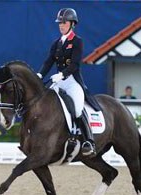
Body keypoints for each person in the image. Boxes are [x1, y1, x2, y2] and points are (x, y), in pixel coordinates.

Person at [37, 8, 96, 157]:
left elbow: (75, 64)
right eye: (60, 23)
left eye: (64, 23)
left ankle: (89, 141)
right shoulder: (56, 43)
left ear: (72, 24)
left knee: (76, 108)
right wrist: (39, 74)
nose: (61, 25)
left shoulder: (77, 42)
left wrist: (61, 74)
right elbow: (49, 61)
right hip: (58, 81)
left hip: (71, 81)